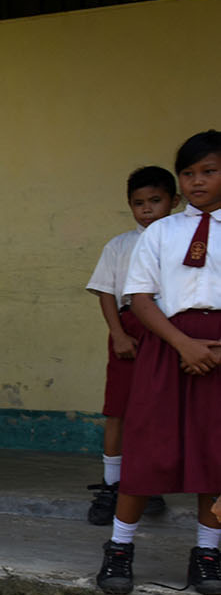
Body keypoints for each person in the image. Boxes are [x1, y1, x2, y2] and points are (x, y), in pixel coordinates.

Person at [96, 131, 221, 595]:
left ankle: (207, 553)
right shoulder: (161, 233)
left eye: (209, 171)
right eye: (188, 173)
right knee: (148, 446)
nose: (197, 182)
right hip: (167, 346)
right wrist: (184, 345)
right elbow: (140, 298)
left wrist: (214, 351)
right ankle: (119, 547)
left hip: (219, 350)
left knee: (215, 452)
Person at [83, 166, 178, 525]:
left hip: (171, 329)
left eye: (156, 200)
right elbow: (107, 293)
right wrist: (118, 334)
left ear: (175, 201)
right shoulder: (120, 245)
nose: (147, 209)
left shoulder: (183, 241)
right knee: (118, 408)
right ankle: (112, 484)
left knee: (160, 408)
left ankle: (151, 482)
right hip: (130, 328)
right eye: (139, 203)